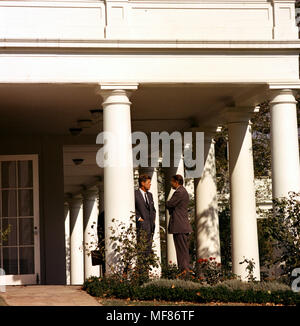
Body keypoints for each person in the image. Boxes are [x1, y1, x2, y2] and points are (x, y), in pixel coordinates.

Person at [166, 174, 192, 272]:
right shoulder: (183, 191)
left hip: (179, 225)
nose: (171, 183)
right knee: (183, 249)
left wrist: (167, 203)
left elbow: (170, 203)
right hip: (182, 225)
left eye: (172, 181)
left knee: (181, 250)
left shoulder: (179, 192)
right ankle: (185, 270)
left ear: (176, 182)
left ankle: (184, 270)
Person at [135, 174, 156, 256]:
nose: (150, 184)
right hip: (141, 227)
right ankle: (141, 269)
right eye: (148, 182)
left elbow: (153, 210)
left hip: (150, 227)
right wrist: (138, 218)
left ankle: (146, 268)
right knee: (141, 251)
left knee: (148, 251)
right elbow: (131, 209)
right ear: (142, 183)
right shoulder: (135, 194)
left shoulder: (150, 195)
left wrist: (153, 220)